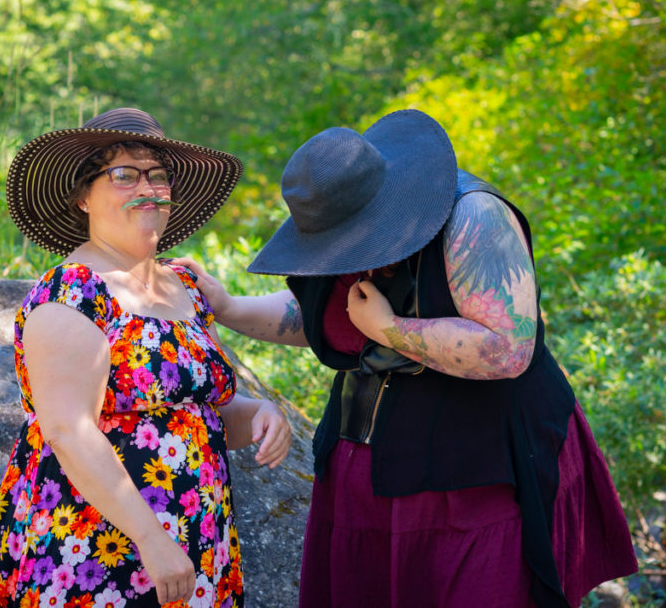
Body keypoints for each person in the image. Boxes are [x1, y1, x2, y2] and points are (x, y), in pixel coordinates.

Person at [173, 109, 638, 607]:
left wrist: (391, 331)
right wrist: (228, 308)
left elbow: (509, 348)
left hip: (482, 469)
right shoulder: (339, 222)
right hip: (366, 473)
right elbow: (324, 314)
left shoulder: (474, 217)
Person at [0, 108, 292, 608]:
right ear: (83, 196)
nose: (148, 187)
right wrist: (152, 539)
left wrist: (262, 414)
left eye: (158, 175)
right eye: (123, 174)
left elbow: (192, 413)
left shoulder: (184, 287)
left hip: (198, 540)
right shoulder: (73, 292)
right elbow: (68, 431)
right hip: (98, 546)